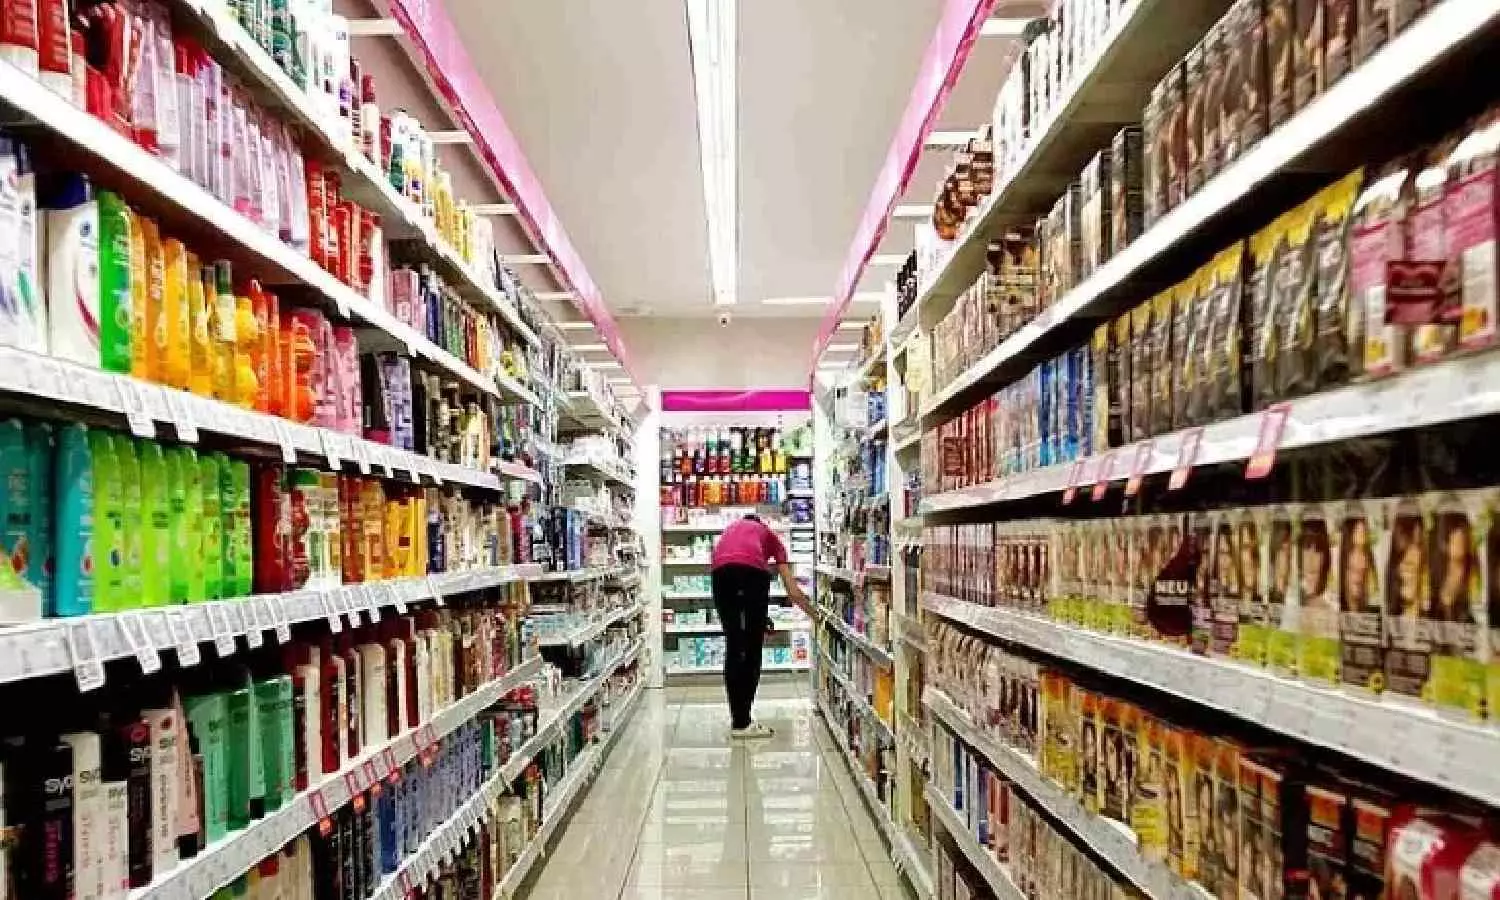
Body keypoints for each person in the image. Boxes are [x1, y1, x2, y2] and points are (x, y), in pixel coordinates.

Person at [710, 513, 810, 739]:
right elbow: (793, 591)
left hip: (719, 573)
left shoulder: (730, 529)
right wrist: (816, 615)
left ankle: (738, 720)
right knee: (753, 647)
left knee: (734, 644)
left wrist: (761, 616)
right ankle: (744, 723)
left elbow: (730, 562)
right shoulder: (770, 535)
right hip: (752, 573)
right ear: (761, 524)